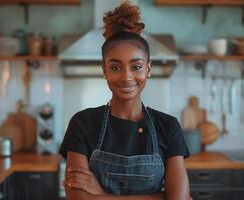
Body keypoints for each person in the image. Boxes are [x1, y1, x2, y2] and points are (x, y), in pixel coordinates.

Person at [59, 1, 191, 199]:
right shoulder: (83, 123)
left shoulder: (168, 127)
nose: (126, 77)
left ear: (148, 69)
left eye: (136, 67)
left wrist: (100, 194)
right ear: (104, 70)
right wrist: (158, 196)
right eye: (115, 67)